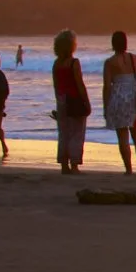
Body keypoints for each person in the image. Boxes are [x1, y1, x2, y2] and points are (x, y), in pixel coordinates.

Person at [102, 30, 136, 175]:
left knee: (122, 136)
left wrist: (105, 107)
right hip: (134, 98)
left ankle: (128, 169)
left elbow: (107, 86)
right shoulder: (135, 59)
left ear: (113, 44)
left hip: (118, 99)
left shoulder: (110, 62)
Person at [51, 29, 88, 174]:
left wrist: (59, 100)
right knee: (77, 133)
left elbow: (55, 84)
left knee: (63, 133)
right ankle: (74, 164)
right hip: (75, 99)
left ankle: (64, 164)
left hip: (61, 100)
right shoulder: (74, 63)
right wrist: (86, 102)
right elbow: (80, 84)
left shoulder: (56, 64)